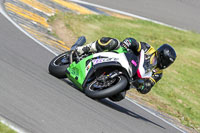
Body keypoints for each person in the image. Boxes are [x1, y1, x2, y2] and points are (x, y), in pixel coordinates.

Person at [76, 37, 176, 101]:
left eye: (169, 63)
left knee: (119, 96)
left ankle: (101, 82)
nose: (166, 64)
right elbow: (135, 43)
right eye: (166, 61)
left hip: (129, 77)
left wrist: (143, 86)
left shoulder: (158, 73)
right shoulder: (148, 49)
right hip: (123, 58)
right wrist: (128, 42)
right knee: (112, 43)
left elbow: (148, 86)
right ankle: (83, 49)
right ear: (161, 55)